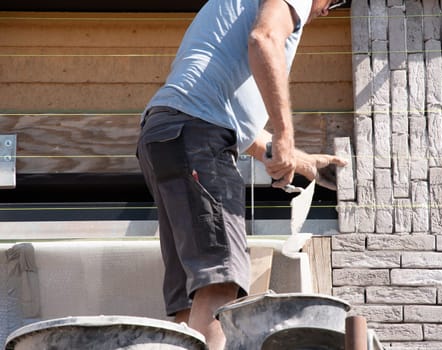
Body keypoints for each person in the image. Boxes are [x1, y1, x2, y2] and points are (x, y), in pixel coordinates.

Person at [136, 0, 348, 349]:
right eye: (336, 1)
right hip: (197, 134)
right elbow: (264, 39)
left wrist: (300, 161)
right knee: (221, 281)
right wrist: (284, 132)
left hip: (166, 133)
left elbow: (239, 127)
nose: (329, 9)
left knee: (193, 297)